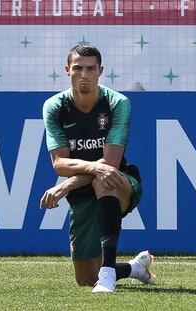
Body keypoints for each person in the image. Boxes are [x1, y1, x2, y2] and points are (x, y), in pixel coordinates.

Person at [40, 45, 155, 293]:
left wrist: (64, 186)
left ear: (100, 71)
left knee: (103, 179)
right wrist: (77, 178)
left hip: (119, 183)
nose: (84, 74)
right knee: (84, 278)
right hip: (81, 192)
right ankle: (134, 268)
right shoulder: (54, 107)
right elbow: (60, 163)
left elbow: (111, 163)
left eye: (91, 68)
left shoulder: (117, 103)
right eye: (78, 68)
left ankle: (107, 275)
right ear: (67, 70)